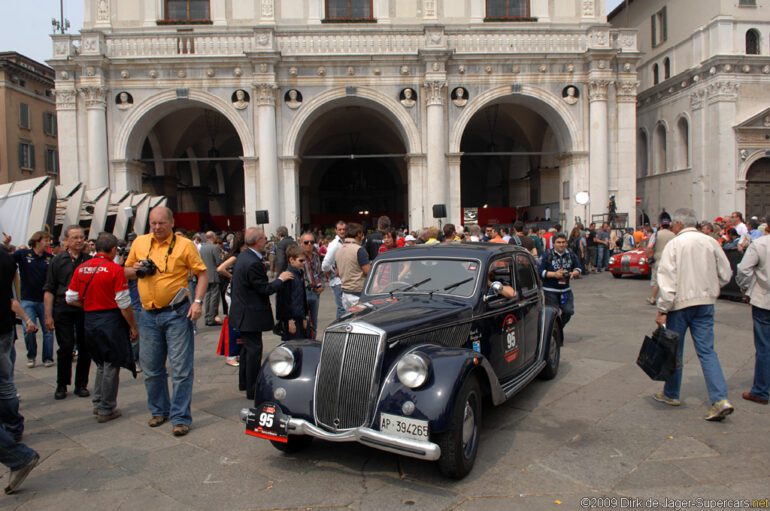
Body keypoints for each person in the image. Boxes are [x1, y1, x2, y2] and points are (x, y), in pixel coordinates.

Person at [124, 207, 208, 437]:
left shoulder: (185, 245)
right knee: (151, 369)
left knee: (181, 368)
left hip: (177, 313)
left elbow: (202, 273)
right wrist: (136, 270)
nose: (157, 227)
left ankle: (180, 417)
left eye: (161, 223)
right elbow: (125, 271)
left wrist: (198, 301)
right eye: (153, 223)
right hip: (147, 314)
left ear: (172, 222)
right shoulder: (140, 243)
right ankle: (159, 410)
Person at [653, 208, 735, 421]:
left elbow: (667, 280)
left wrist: (663, 308)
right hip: (705, 303)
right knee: (707, 352)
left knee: (675, 350)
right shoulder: (710, 242)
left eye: (673, 224)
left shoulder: (675, 244)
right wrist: (711, 287)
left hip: (679, 305)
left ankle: (671, 393)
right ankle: (720, 399)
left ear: (679, 223)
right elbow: (726, 273)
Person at [65, 233, 138, 423]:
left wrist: (89, 305)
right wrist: (132, 325)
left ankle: (98, 402)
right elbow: (123, 302)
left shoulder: (81, 268)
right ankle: (106, 407)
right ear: (113, 250)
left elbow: (70, 297)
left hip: (90, 319)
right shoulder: (115, 269)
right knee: (112, 363)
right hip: (110, 320)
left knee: (99, 362)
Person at [228, 227, 293, 400]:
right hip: (249, 314)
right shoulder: (252, 262)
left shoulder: (244, 256)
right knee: (254, 351)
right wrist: (281, 279)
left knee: (246, 350)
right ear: (257, 241)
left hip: (242, 311)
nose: (266, 241)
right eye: (264, 238)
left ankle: (244, 383)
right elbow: (264, 289)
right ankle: (253, 388)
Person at [1, 247, 40, 493]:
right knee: (5, 384)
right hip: (4, 328)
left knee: (5, 385)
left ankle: (18, 453)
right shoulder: (6, 257)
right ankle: (15, 440)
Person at [43, 225, 92, 400]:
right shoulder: (57, 261)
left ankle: (81, 384)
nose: (79, 240)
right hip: (63, 308)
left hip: (84, 308)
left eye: (81, 237)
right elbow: (49, 288)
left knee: (85, 347)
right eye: (75, 238)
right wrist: (48, 315)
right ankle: (62, 384)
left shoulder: (88, 260)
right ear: (66, 241)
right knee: (65, 346)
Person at [736, 219, 770, 405]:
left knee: (764, 347)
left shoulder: (760, 244)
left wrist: (745, 289)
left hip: (764, 299)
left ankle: (761, 391)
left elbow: (744, 269)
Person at [12, 231, 54, 368]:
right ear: (37, 240)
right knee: (28, 329)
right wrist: (8, 244)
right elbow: (8, 259)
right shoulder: (23, 254)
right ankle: (31, 355)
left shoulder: (50, 258)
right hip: (27, 299)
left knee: (48, 330)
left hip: (44, 300)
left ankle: (48, 358)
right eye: (46, 240)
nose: (48, 243)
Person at [539, 232, 583, 326]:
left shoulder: (571, 254)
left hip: (566, 290)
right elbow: (540, 271)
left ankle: (558, 329)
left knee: (569, 311)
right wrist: (554, 274)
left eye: (564, 242)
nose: (562, 244)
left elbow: (579, 267)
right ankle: (553, 332)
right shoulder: (547, 255)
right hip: (550, 291)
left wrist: (574, 273)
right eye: (558, 242)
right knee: (552, 314)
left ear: (566, 243)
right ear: (554, 243)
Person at [276, 244, 309, 341]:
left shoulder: (299, 273)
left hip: (299, 316)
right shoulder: (287, 276)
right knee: (293, 345)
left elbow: (302, 298)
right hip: (291, 318)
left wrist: (304, 317)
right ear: (291, 260)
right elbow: (283, 300)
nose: (303, 263)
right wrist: (289, 320)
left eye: (304, 260)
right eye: (301, 260)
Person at [336, 223, 372, 309]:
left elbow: (337, 273)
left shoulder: (339, 250)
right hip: (358, 295)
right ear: (358, 234)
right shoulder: (359, 250)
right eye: (362, 234)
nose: (363, 237)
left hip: (345, 294)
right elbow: (368, 272)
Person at [300, 232, 324, 339]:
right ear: (301, 243)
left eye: (312, 242)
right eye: (306, 242)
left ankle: (312, 343)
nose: (309, 244)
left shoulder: (315, 256)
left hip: (315, 293)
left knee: (314, 322)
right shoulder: (297, 257)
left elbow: (319, 273)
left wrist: (321, 285)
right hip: (302, 293)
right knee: (302, 322)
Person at [322, 221, 347, 320]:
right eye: (340, 229)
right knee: (342, 309)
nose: (342, 231)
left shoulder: (344, 242)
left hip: (344, 280)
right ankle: (339, 332)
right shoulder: (335, 244)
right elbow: (325, 265)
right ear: (336, 231)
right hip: (337, 282)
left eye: (344, 229)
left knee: (345, 308)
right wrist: (333, 270)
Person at [646, 219, 675, 305]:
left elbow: (649, 247)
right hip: (670, 260)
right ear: (669, 226)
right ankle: (670, 299)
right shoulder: (673, 235)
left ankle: (653, 298)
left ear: (661, 226)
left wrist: (648, 257)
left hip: (658, 260)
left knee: (656, 280)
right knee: (669, 280)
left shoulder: (656, 234)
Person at [199, 231, 222, 327]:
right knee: (214, 297)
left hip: (205, 275)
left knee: (207, 296)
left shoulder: (202, 248)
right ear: (213, 237)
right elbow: (218, 261)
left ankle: (207, 317)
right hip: (214, 274)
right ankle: (212, 318)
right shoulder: (214, 247)